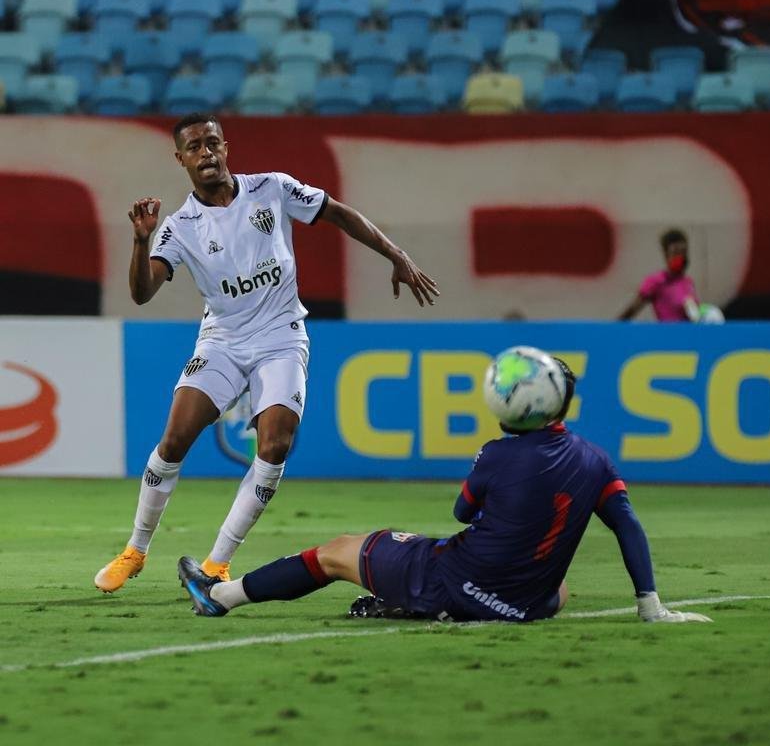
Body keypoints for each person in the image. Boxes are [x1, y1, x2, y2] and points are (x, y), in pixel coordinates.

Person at [94, 113, 439, 593]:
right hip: (222, 342)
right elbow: (141, 293)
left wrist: (397, 255)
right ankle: (135, 550)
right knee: (173, 441)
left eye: (212, 143)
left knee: (275, 445)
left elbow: (337, 212)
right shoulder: (180, 227)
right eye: (194, 147)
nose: (206, 153)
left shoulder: (272, 189)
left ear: (226, 147)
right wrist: (139, 240)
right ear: (181, 159)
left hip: (281, 337)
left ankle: (216, 565)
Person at [177, 348, 711, 625]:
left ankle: (219, 595)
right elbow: (628, 525)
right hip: (522, 604)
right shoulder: (596, 460)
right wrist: (650, 603)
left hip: (457, 581)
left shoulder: (497, 455)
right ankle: (419, 603)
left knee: (338, 552)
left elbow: (461, 512)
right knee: (560, 589)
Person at [618, 228, 699, 322]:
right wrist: (610, 331)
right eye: (676, 252)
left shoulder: (688, 282)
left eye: (684, 252)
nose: (681, 256)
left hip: (689, 335)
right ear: (666, 255)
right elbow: (632, 310)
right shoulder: (656, 281)